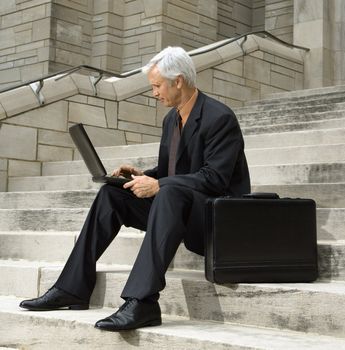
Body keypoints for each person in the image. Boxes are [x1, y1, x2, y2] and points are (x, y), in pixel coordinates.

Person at [19, 46, 251, 331]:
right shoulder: (171, 119)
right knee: (112, 194)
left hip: (213, 220)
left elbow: (214, 178)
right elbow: (173, 172)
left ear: (178, 81)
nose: (153, 92)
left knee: (168, 192)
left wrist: (160, 184)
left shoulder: (220, 117)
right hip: (177, 206)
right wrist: (144, 175)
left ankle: (143, 302)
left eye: (156, 85)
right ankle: (72, 287)